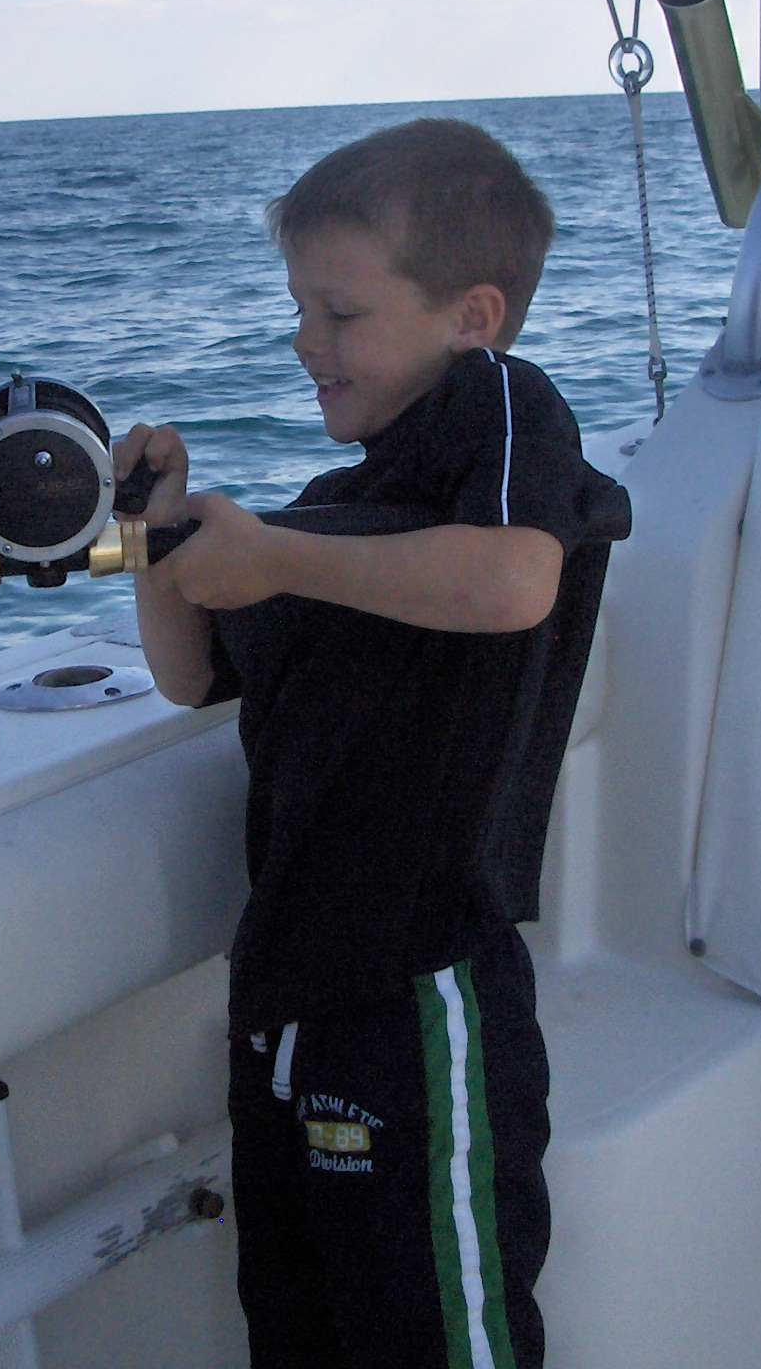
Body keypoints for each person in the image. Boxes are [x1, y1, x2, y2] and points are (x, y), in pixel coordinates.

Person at [117, 118, 619, 1368]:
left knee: (439, 1337)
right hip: (290, 1002)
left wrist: (275, 554)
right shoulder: (341, 518)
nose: (305, 343)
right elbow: (190, 676)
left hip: (420, 995)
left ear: (473, 314)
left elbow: (512, 584)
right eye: (300, 310)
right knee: (301, 1330)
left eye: (340, 314)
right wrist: (160, 538)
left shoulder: (500, 413)